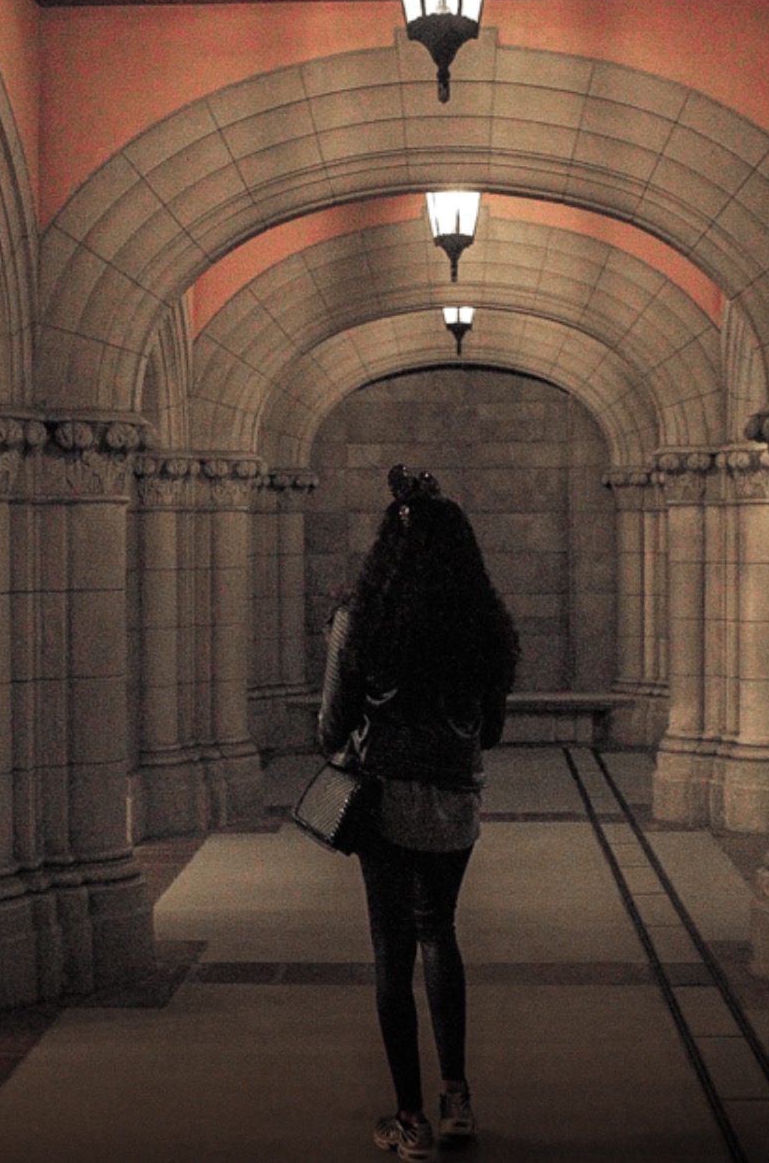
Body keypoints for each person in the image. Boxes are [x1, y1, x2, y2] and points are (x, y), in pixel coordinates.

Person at [318, 464, 520, 1162]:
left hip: (385, 803)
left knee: (390, 952)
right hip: (457, 801)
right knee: (441, 934)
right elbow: (490, 731)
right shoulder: (485, 626)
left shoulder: (359, 617)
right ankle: (457, 1099)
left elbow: (329, 729)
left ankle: (410, 1120)